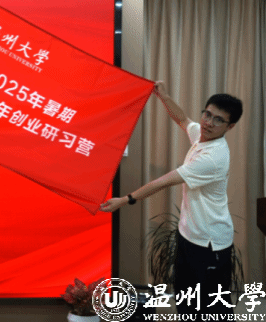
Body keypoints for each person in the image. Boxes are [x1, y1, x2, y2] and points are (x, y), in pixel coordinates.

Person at [100, 81, 243, 315]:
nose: (208, 122)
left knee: (210, 308)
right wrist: (163, 97)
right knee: (185, 301)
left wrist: (125, 199)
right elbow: (183, 120)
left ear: (231, 126)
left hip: (209, 243)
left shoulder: (213, 157)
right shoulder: (202, 136)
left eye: (218, 120)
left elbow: (163, 182)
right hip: (189, 235)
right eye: (207, 114)